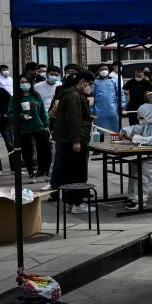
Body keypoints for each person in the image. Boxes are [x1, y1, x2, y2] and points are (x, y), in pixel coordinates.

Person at [49, 70, 96, 214]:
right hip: (75, 139)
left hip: (67, 139)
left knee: (69, 172)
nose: (89, 87)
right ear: (82, 82)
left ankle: (70, 202)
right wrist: (77, 141)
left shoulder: (68, 93)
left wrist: (87, 117)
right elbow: (74, 120)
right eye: (89, 84)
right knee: (78, 172)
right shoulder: (75, 95)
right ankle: (77, 203)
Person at [11, 76, 51, 178]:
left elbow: (42, 111)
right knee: (26, 151)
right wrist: (22, 116)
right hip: (24, 129)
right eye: (22, 82)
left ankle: (43, 169)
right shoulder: (15, 98)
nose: (24, 84)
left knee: (44, 149)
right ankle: (31, 171)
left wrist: (46, 124)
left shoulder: (36, 95)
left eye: (26, 82)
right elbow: (10, 113)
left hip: (39, 126)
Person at [92, 64, 124, 133]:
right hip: (99, 111)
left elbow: (120, 94)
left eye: (105, 69)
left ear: (108, 71)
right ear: (98, 71)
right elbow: (92, 97)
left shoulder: (114, 81)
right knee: (100, 131)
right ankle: (101, 142)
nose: (104, 71)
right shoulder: (94, 82)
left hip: (113, 110)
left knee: (115, 129)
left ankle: (115, 141)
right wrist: (91, 110)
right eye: (102, 69)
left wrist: (121, 106)